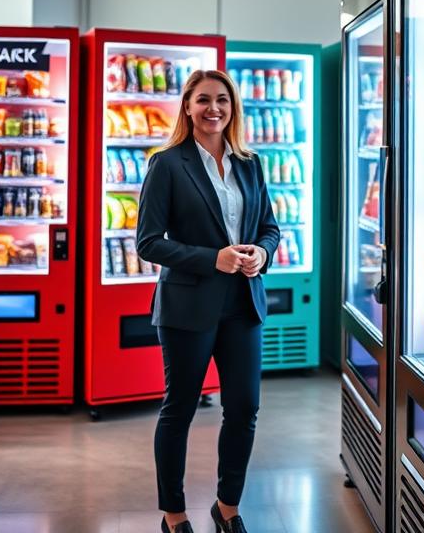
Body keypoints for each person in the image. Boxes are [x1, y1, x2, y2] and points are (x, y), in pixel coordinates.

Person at [137, 69, 281, 533]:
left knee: (244, 408)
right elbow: (148, 242)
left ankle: (227, 506)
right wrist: (211, 259)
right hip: (188, 307)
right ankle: (174, 515)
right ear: (187, 106)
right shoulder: (167, 164)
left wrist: (262, 253)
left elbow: (270, 227)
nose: (213, 108)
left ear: (233, 107)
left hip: (243, 304)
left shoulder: (250, 163)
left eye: (222, 99)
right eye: (203, 100)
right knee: (179, 409)